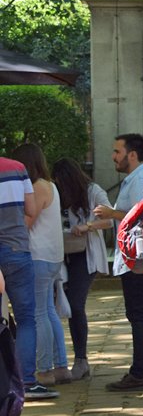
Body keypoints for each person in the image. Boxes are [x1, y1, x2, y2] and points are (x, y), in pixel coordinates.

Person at [98, 133, 143, 392]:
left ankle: (141, 373)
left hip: (138, 259)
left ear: (132, 154)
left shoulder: (142, 179)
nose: (113, 157)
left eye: (117, 151)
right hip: (137, 258)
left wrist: (111, 213)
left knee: (141, 316)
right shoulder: (136, 179)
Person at [11, 143, 69, 389]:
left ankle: (44, 369)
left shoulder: (36, 188)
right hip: (53, 256)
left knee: (38, 314)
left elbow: (27, 222)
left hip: (38, 257)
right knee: (48, 311)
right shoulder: (51, 186)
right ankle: (60, 366)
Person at [53, 157, 113, 381]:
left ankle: (81, 360)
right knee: (61, 305)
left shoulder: (92, 191)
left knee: (76, 304)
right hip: (62, 254)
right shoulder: (58, 195)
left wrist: (87, 226)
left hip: (84, 255)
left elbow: (109, 219)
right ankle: (58, 361)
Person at [0, 154, 53, 399]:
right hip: (15, 250)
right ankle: (26, 382)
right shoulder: (17, 168)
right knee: (25, 318)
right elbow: (31, 209)